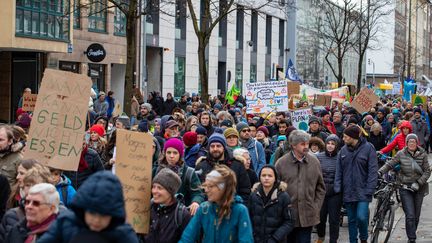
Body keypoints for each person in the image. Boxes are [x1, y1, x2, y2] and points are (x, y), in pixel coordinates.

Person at [37, 171, 139, 243]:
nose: (96, 220)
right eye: (92, 213)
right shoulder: (65, 222)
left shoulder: (124, 235)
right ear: (83, 209)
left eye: (104, 215)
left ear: (114, 215)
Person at [179, 165, 254, 243]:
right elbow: (187, 237)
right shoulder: (204, 209)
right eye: (206, 186)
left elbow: (246, 240)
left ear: (223, 188)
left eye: (210, 186)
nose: (206, 190)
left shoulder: (240, 210)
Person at [378, 133, 430, 243]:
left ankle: (412, 233)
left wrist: (419, 182)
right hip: (405, 187)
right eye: (409, 141)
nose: (412, 143)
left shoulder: (423, 154)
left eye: (414, 141)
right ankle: (412, 239)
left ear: (417, 143)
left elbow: (427, 171)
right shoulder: (401, 154)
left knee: (416, 215)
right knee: (410, 215)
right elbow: (390, 164)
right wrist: (380, 171)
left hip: (419, 188)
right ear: (406, 143)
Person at [275, 130, 326, 243]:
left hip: (307, 214)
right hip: (287, 215)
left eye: (307, 143)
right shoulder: (281, 163)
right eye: (302, 144)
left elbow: (320, 188)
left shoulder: (314, 162)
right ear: (293, 145)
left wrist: (316, 207)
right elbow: (275, 188)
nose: (306, 146)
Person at [334, 125, 378, 243]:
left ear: (353, 137)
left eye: (346, 137)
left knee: (362, 217)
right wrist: (338, 188)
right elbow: (339, 171)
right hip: (348, 191)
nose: (343, 139)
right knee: (352, 220)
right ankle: (353, 241)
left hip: (363, 190)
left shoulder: (369, 148)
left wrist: (370, 189)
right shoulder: (343, 151)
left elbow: (373, 170)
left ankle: (363, 238)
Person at [195, 133, 251, 203]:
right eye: (212, 146)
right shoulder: (201, 166)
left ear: (224, 147)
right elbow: (197, 190)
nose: (215, 149)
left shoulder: (237, 165)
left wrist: (237, 205)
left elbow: (245, 190)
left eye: (218, 146)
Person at [154, 138, 204, 215]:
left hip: (180, 215)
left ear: (180, 155)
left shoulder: (188, 172)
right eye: (169, 152)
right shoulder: (156, 170)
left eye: (175, 153)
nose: (171, 156)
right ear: (164, 153)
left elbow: (198, 192)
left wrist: (196, 202)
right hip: (158, 213)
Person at [248, 165, 295, 243]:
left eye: (270, 176)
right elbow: (248, 217)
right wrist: (253, 235)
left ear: (275, 178)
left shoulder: (283, 196)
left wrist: (275, 238)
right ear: (259, 177)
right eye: (263, 175)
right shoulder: (253, 195)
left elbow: (289, 221)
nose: (266, 178)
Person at [145, 168, 191, 243]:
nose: (154, 191)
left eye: (159, 188)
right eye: (153, 186)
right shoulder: (150, 207)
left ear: (171, 192)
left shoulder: (182, 215)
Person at [316, 135, 343, 243]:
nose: (330, 146)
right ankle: (321, 237)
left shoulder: (341, 157)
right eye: (328, 143)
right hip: (322, 192)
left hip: (335, 193)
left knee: (334, 219)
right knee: (320, 218)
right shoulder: (319, 157)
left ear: (336, 145)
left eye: (333, 144)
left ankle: (333, 240)